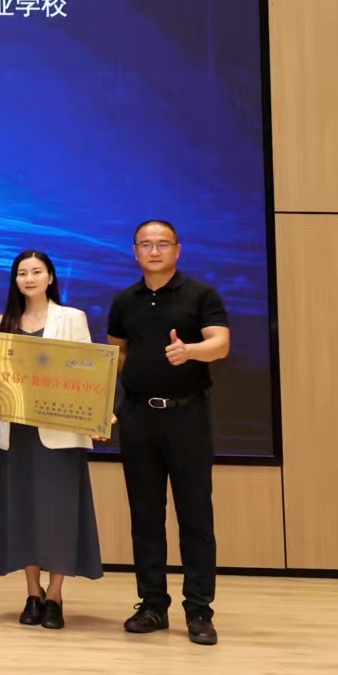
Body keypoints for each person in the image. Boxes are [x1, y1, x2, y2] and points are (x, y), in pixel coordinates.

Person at [107, 219, 230, 646]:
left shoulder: (201, 294)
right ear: (135, 251)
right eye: (146, 244)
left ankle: (199, 611)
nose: (154, 251)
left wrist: (190, 350)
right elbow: (116, 353)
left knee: (195, 516)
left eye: (162, 244)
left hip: (186, 416)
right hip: (138, 418)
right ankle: (152, 605)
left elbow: (221, 343)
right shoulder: (125, 300)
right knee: (145, 515)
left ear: (178, 249)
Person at [0, 250, 102, 630]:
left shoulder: (72, 318)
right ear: (15, 279)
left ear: (50, 277)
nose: (29, 278)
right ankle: (32, 593)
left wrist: (97, 415)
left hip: (60, 433)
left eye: (37, 271)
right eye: (22, 273)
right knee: (24, 513)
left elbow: (88, 373)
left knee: (59, 514)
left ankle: (55, 596)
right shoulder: (1, 322)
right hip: (18, 433)